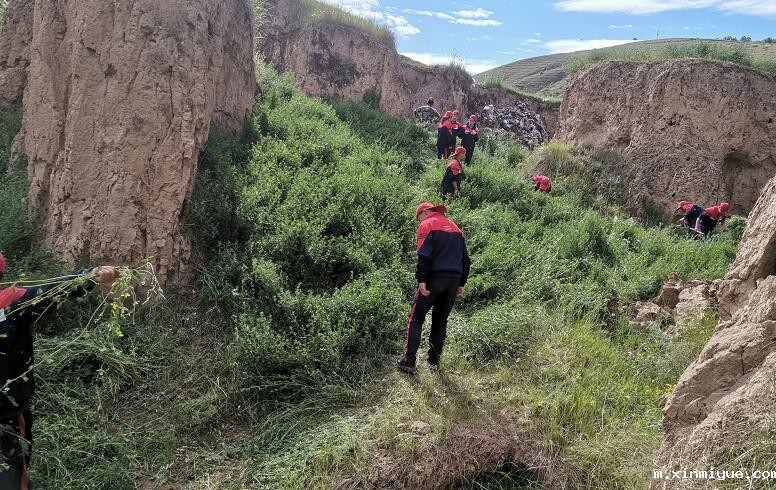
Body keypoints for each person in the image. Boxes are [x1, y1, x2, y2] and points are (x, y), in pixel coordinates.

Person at [0, 253, 119, 489]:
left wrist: (88, 277)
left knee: (12, 475)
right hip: (10, 410)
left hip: (8, 413)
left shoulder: (12, 301)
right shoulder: (12, 299)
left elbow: (52, 290)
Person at [396, 203, 471, 374]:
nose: (418, 222)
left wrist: (422, 279)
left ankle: (408, 361)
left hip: (433, 280)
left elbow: (424, 255)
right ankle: (433, 361)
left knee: (416, 318)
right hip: (453, 281)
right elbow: (466, 260)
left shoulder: (427, 225)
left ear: (426, 212)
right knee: (440, 320)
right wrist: (461, 284)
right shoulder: (456, 228)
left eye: (418, 218)